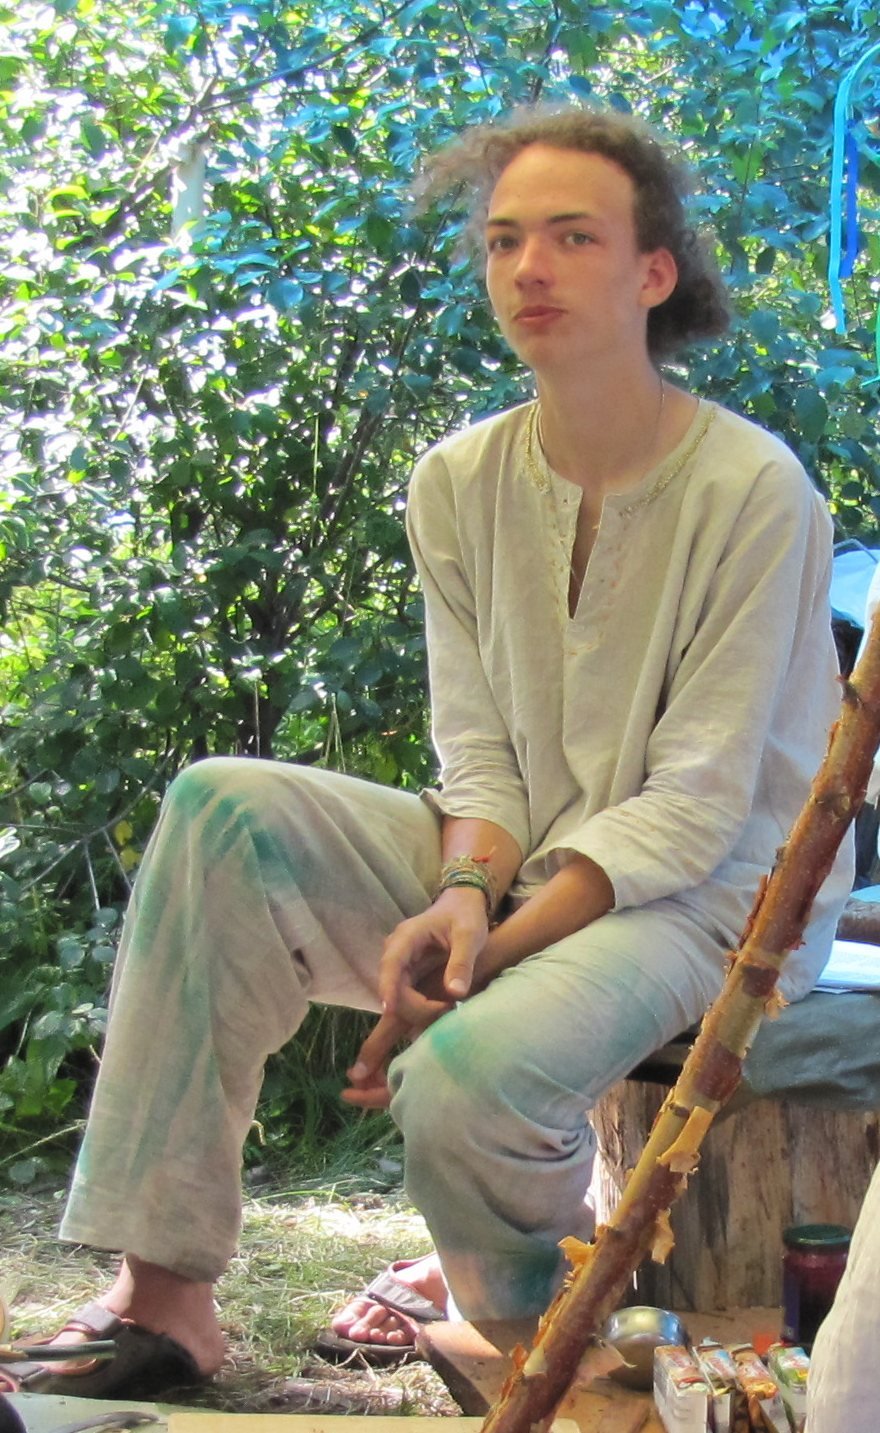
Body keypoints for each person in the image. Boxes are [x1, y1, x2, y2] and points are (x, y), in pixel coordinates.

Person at [1, 105, 853, 1397]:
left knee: (460, 1078)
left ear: (653, 272)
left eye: (573, 236)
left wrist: (482, 960)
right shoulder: (457, 481)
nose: (529, 267)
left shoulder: (755, 489)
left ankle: (556, 1343)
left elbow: (695, 807)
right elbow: (479, 754)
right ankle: (162, 1299)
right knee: (225, 808)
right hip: (527, 859)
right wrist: (460, 897)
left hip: (716, 898)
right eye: (505, 240)